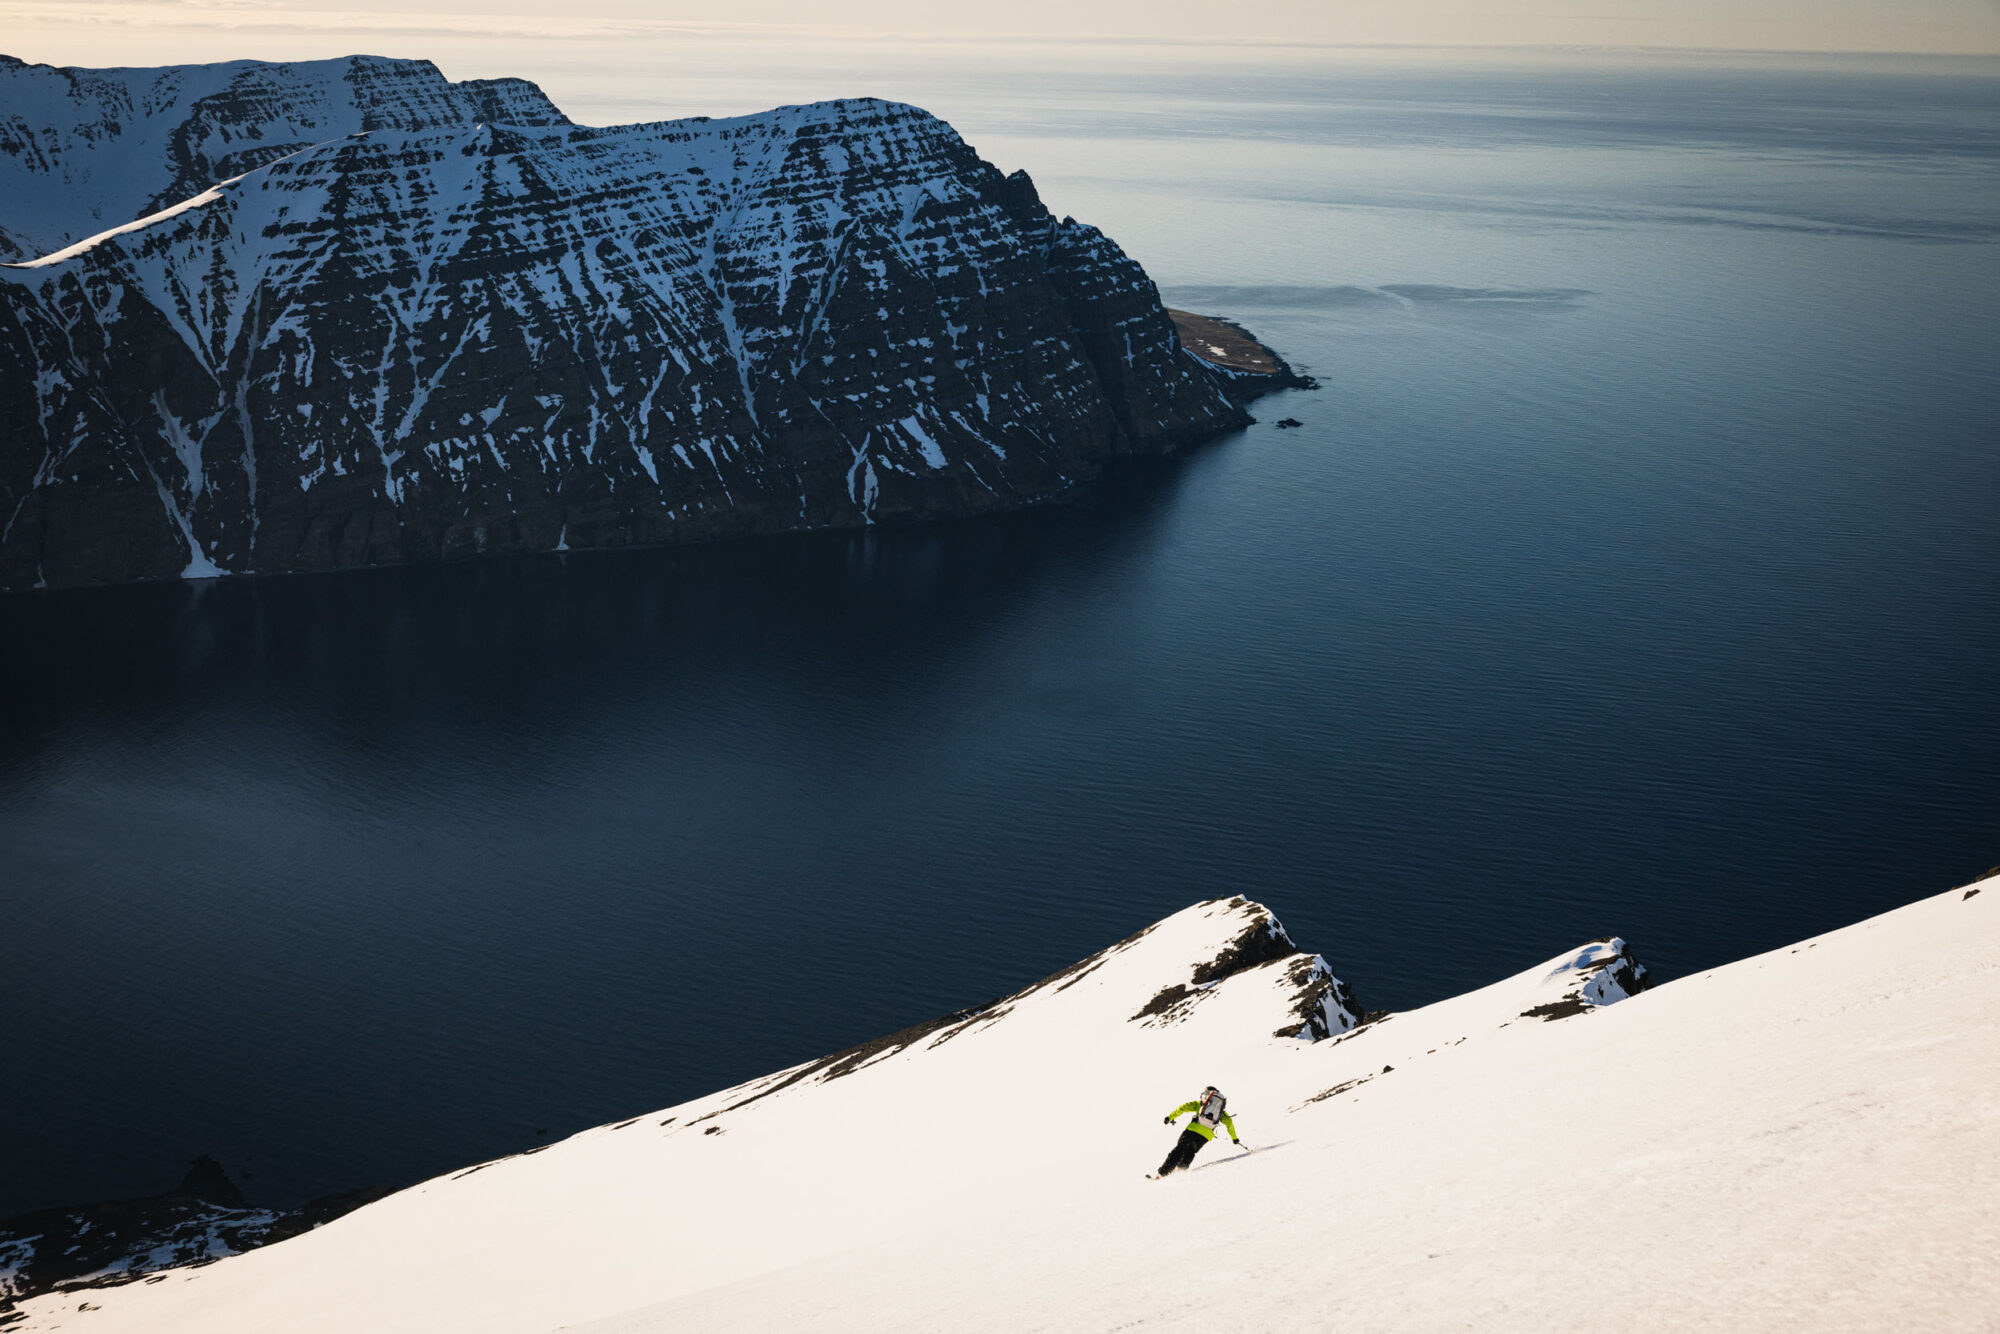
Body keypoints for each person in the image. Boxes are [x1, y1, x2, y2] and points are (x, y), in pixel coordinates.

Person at [1156, 1085, 1240, 1177]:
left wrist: (1170, 1117)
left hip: (1192, 1130)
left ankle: (1162, 1174)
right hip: (1205, 1136)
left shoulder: (1199, 1104)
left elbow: (1183, 1108)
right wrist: (1234, 1138)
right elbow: (1229, 1123)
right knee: (1190, 1151)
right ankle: (1181, 1170)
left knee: (1179, 1149)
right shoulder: (1220, 1112)